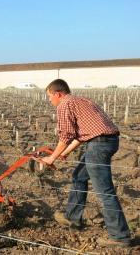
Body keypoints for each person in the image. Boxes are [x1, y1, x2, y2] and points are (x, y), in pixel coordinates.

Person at [40, 79, 131, 247]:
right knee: (79, 177)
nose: (49, 100)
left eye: (49, 96)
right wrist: (64, 153)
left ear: (58, 94)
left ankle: (120, 236)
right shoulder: (82, 100)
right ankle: (73, 218)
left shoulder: (64, 105)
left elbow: (66, 135)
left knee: (105, 191)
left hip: (98, 145)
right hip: (107, 141)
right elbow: (83, 135)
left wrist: (52, 157)